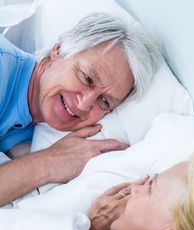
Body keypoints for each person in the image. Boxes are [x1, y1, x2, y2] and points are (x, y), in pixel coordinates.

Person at [0, 12, 161, 206]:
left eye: (104, 101)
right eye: (87, 78)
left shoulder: (31, 127)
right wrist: (49, 162)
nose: (84, 104)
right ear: (58, 51)